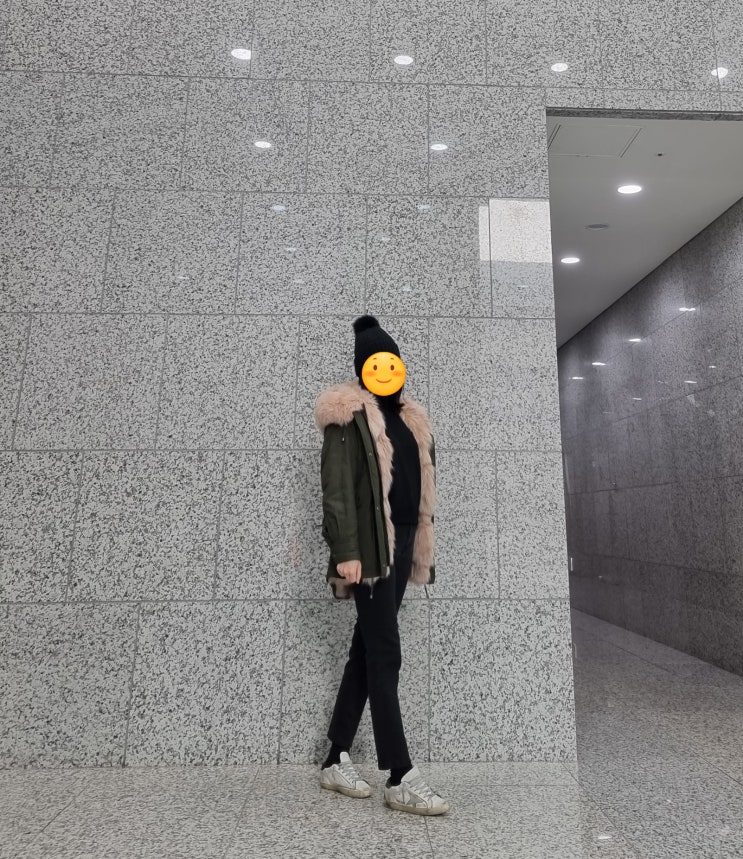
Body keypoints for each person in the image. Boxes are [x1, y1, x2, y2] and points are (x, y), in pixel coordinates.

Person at [313, 315, 450, 816]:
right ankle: (399, 775)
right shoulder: (349, 417)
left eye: (391, 361)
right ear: (363, 370)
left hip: (406, 541)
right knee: (386, 652)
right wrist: (346, 551)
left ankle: (335, 757)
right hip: (371, 548)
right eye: (375, 362)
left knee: (366, 650)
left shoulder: (411, 418)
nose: (385, 369)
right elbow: (336, 490)